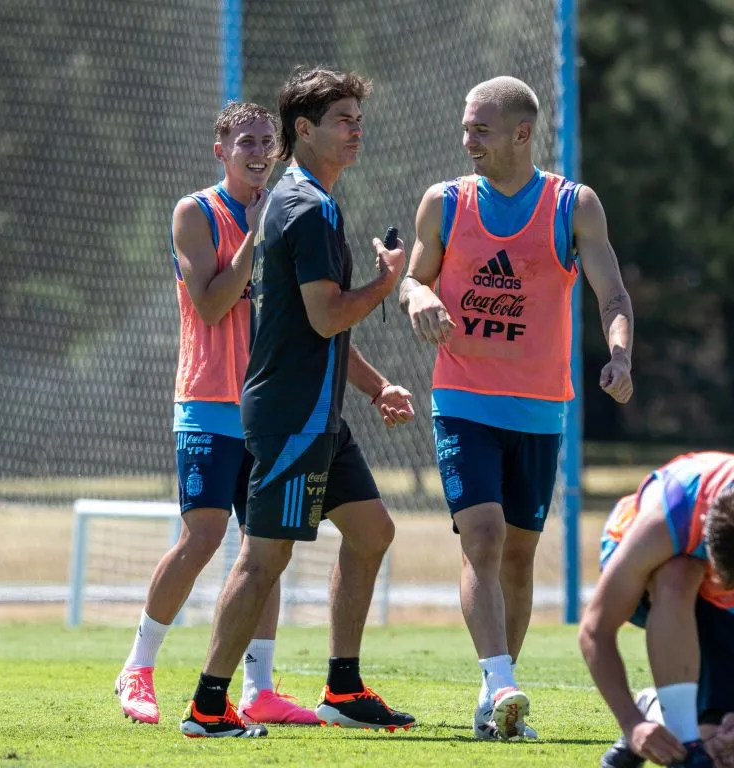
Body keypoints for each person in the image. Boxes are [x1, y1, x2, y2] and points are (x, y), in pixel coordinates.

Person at [180, 67, 417, 739]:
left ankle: (342, 688)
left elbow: (309, 325)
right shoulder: (306, 206)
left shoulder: (306, 197)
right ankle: (207, 706)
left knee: (373, 533)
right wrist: (385, 282)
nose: (356, 129)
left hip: (318, 413)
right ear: (303, 130)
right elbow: (325, 316)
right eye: (342, 118)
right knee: (264, 559)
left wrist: (373, 388)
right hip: (292, 416)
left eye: (357, 118)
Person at [399, 76, 634, 741]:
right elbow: (415, 278)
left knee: (521, 558)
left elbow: (612, 296)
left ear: (521, 134)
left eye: (480, 128)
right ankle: (502, 679)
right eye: (466, 126)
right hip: (463, 398)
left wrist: (618, 355)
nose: (466, 139)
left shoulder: (572, 205)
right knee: (483, 538)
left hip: (538, 409)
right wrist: (419, 298)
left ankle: (491, 699)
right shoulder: (443, 203)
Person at [114, 101, 315, 729]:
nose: (259, 152)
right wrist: (256, 234)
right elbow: (210, 305)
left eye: (267, 143)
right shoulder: (194, 213)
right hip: (206, 402)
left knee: (267, 548)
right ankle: (138, 668)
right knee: (201, 536)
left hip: (269, 408)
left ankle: (259, 689)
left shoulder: (290, 211)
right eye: (246, 141)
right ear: (221, 151)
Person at [579, 451, 734, 768]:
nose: (726, 585)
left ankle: (659, 709)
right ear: (706, 535)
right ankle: (685, 736)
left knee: (730, 757)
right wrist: (630, 724)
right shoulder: (669, 516)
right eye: (723, 575)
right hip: (650, 571)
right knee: (680, 573)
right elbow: (595, 629)